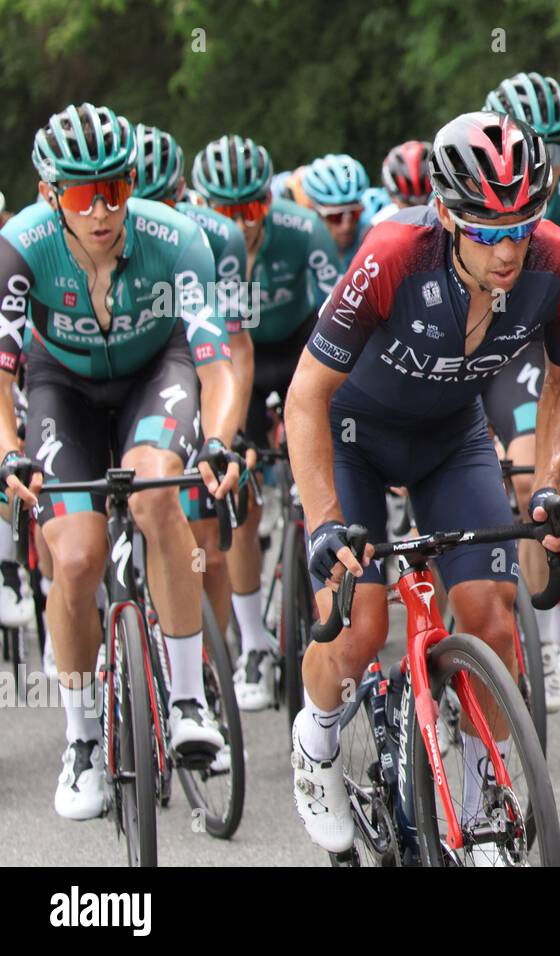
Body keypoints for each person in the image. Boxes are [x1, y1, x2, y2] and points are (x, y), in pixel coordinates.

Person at [283, 111, 560, 858]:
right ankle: (316, 745)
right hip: (355, 437)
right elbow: (305, 396)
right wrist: (324, 523)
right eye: (486, 230)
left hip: (452, 437)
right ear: (446, 214)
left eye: (522, 225)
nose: (509, 247)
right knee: (356, 630)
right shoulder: (392, 254)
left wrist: (549, 482)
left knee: (489, 609)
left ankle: (488, 794)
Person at [0, 104, 242, 819]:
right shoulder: (19, 245)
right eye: (82, 195)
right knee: (75, 559)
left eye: (116, 187)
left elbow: (217, 361)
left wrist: (222, 437)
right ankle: (80, 742)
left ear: (135, 181)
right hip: (60, 386)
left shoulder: (178, 238)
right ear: (51, 195)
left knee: (153, 497)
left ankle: (192, 701)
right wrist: (9, 450)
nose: (103, 209)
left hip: (153, 373)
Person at [191, 134, 344, 710]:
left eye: (251, 209)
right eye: (227, 212)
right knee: (244, 494)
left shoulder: (302, 228)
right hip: (240, 361)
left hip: (303, 343)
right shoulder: (197, 239)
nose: (243, 224)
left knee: (326, 458)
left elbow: (336, 307)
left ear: (268, 200)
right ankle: (255, 640)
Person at [482, 71, 560, 712]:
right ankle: (548, 637)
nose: (552, 168)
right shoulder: (476, 189)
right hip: (495, 351)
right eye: (539, 150)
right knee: (531, 473)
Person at [134, 124, 255, 645]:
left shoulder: (217, 236)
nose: (155, 211)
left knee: (207, 536)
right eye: (143, 199)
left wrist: (230, 434)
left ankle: (211, 665)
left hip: (194, 366)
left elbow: (238, 346)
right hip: (130, 368)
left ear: (183, 192)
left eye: (167, 199)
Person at [299, 153, 372, 265]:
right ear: (312, 210)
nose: (346, 226)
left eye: (354, 214)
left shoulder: (371, 236)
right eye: (335, 217)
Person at [370, 140, 434, 225]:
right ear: (393, 199)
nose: (418, 217)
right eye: (408, 207)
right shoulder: (378, 223)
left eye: (424, 207)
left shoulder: (379, 225)